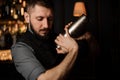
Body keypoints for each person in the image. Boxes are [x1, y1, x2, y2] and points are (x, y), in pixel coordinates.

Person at [11, 0, 81, 80]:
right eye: (40, 19)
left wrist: (74, 36)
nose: (46, 25)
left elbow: (95, 50)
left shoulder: (57, 38)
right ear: (27, 17)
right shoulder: (20, 48)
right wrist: (73, 50)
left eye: (50, 19)